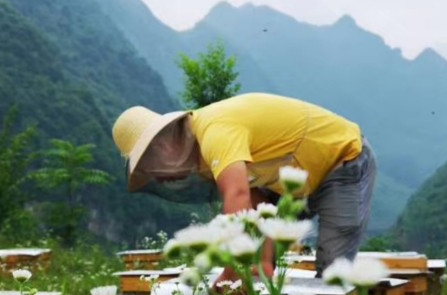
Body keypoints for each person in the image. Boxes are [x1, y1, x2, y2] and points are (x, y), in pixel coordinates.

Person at [112, 93, 377, 278]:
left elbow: (236, 196)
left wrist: (231, 271)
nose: (156, 175)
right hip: (292, 184)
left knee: (334, 269)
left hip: (342, 159)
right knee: (260, 273)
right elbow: (256, 204)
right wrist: (260, 264)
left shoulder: (216, 133)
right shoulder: (209, 157)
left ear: (164, 143)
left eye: (151, 162)